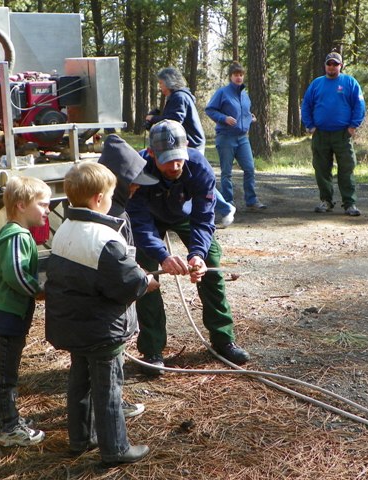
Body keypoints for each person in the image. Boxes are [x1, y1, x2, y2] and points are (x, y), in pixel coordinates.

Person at [45, 162, 158, 465]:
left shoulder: (64, 229)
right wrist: (146, 281)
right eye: (109, 194)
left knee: (79, 381)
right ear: (98, 199)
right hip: (101, 329)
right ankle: (116, 448)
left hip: (73, 325)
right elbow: (126, 284)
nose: (111, 200)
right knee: (109, 388)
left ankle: (80, 437)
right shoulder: (104, 239)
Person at [126, 120, 251, 373]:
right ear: (151, 153)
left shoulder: (199, 166)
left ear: (187, 148)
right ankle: (151, 351)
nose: (174, 166)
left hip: (183, 214)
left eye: (178, 159)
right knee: (146, 277)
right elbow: (139, 223)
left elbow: (204, 218)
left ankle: (223, 339)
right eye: (167, 160)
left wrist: (198, 255)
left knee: (211, 264)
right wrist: (162, 256)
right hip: (150, 218)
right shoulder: (137, 170)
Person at [0, 175, 51, 447]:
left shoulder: (11, 232)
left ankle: (3, 421)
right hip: (6, 315)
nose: (47, 210)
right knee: (6, 376)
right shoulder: (19, 236)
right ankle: (8, 428)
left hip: (1, 313)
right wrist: (39, 290)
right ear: (21, 205)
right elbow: (15, 274)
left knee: (2, 372)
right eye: (42, 204)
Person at [97, 133, 161, 419]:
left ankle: (101, 406)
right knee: (109, 358)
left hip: (110, 301)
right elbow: (115, 265)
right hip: (108, 307)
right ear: (117, 181)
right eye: (132, 181)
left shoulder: (115, 208)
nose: (137, 187)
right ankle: (111, 411)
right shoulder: (111, 216)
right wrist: (141, 281)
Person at [145, 67, 236, 228]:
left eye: (161, 83)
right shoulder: (178, 96)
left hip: (189, 144)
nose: (160, 87)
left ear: (168, 82)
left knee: (197, 178)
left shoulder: (179, 96)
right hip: (187, 142)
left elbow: (175, 120)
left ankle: (225, 208)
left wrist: (154, 119)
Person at [301, 50, 366, 216]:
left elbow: (359, 106)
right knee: (322, 169)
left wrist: (353, 126)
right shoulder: (316, 84)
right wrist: (310, 126)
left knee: (346, 168)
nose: (331, 67)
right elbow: (306, 105)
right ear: (325, 66)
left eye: (335, 64)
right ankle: (326, 201)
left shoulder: (350, 82)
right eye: (329, 64)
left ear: (340, 66)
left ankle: (349, 203)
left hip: (342, 134)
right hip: (321, 133)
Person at [205, 62, 266, 211]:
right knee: (227, 172)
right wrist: (223, 118)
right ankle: (228, 203)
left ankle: (251, 200)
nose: (239, 77)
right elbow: (210, 109)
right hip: (226, 137)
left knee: (250, 168)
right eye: (236, 75)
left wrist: (249, 117)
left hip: (242, 137)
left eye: (241, 75)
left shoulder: (244, 94)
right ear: (230, 76)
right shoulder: (223, 92)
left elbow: (244, 111)